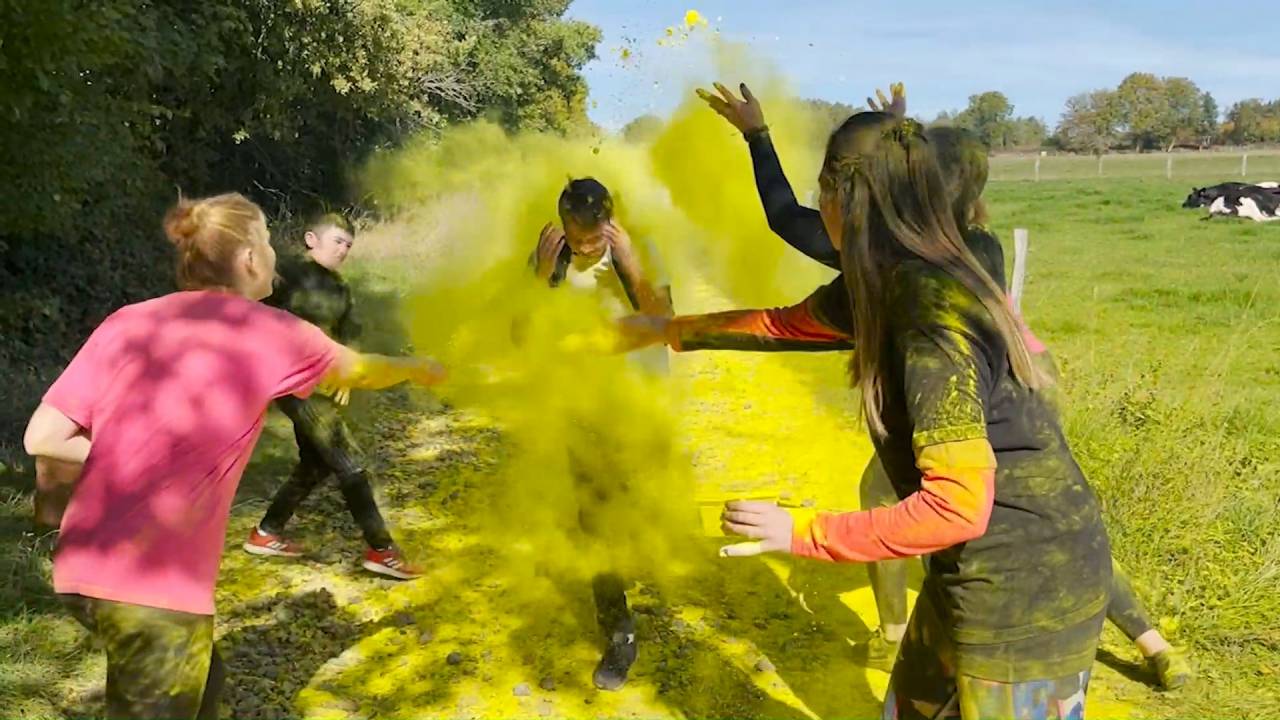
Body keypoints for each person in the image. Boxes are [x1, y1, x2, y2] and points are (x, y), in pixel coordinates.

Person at [697, 80, 1192, 690]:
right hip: (1028, 378)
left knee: (885, 497)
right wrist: (900, 133)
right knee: (1038, 504)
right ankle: (1152, 641)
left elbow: (782, 219)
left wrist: (758, 136)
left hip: (977, 412)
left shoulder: (898, 268)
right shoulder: (972, 243)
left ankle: (891, 632)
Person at [622, 110, 1112, 718]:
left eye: (819, 189)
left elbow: (956, 504)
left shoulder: (931, 315)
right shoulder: (887, 280)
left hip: (1028, 590)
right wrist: (668, 330)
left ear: (841, 196)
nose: (813, 205)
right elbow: (782, 325)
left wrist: (802, 534)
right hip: (971, 575)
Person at [22, 193, 446, 720]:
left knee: (207, 683)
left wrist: (128, 456)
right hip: (155, 587)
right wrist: (418, 367)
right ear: (249, 257)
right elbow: (360, 371)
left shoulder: (129, 321)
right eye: (267, 240)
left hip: (83, 567)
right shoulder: (270, 332)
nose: (273, 252)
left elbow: (42, 436)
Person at [529, 177, 673, 690]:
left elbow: (665, 323)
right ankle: (619, 631)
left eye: (594, 238)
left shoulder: (639, 247)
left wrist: (629, 260)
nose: (586, 247)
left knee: (633, 505)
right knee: (595, 515)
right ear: (564, 226)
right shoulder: (551, 255)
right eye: (577, 237)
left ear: (610, 222)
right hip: (582, 405)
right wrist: (542, 276)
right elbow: (523, 332)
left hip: (638, 402)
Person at [243, 213, 419, 579]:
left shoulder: (340, 289)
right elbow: (253, 317)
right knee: (350, 462)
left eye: (349, 245)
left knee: (316, 463)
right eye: (337, 241)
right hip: (293, 382)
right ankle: (382, 550)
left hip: (323, 380)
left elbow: (349, 335)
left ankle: (266, 532)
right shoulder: (286, 275)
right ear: (311, 238)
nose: (343, 250)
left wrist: (349, 376)